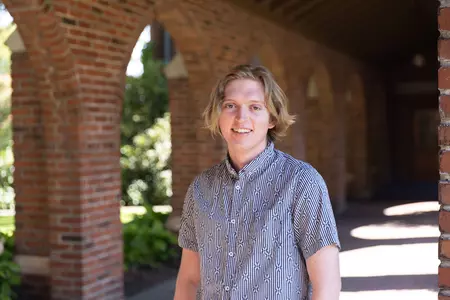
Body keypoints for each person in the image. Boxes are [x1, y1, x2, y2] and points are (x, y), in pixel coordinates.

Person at [173, 64, 341, 300]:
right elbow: (189, 280)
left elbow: (327, 285)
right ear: (218, 115)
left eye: (255, 107)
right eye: (230, 106)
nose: (241, 118)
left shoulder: (302, 182)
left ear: (272, 118)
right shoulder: (201, 189)